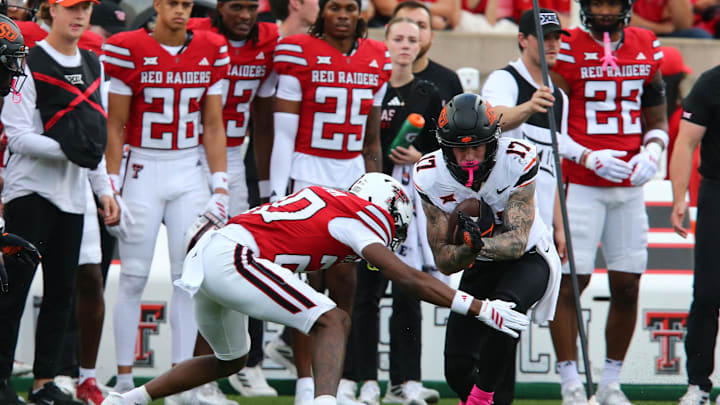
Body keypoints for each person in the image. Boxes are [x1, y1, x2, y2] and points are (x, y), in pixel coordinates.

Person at [102, 172, 529, 405]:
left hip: (215, 257)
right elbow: (407, 276)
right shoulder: (365, 215)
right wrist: (478, 308)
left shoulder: (329, 203)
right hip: (235, 256)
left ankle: (127, 401)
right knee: (334, 319)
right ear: (389, 206)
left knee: (230, 358)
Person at [101, 0, 229, 401]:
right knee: (134, 277)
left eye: (186, 4)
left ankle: (180, 383)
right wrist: (111, 184)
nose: (179, 11)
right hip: (142, 168)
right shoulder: (127, 47)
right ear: (156, 5)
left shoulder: (211, 47)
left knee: (187, 279)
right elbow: (115, 125)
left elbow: (213, 123)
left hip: (188, 169)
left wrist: (220, 185)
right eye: (172, 3)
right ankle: (123, 380)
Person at [0, 0, 122, 403]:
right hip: (29, 191)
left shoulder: (94, 62)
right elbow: (16, 135)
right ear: (51, 10)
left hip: (73, 196)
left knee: (61, 293)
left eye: (86, 7)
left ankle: (45, 383)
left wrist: (103, 189)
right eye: (71, 7)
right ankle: (1, 381)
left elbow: (96, 135)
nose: (80, 14)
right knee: (12, 292)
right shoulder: (28, 61)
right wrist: (69, 148)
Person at [270, 0, 390, 403]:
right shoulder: (297, 50)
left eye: (349, 8)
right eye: (334, 7)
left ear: (361, 14)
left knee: (345, 281)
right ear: (321, 12)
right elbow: (283, 133)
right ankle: (306, 383)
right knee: (306, 281)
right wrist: (277, 191)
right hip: (307, 170)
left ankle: (330, 385)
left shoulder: (377, 57)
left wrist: (375, 187)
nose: (342, 15)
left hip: (350, 174)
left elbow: (372, 139)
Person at [549, 0, 668, 403]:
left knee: (627, 284)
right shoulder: (566, 48)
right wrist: (584, 154)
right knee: (571, 282)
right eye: (596, 2)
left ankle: (610, 382)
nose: (603, 11)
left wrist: (652, 153)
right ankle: (570, 382)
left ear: (626, 6)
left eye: (610, 2)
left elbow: (656, 119)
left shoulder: (646, 43)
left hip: (629, 187)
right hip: (580, 183)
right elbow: (546, 124)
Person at [415, 93, 561, 405]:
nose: (469, 156)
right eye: (460, 147)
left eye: (476, 146)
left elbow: (517, 242)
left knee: (503, 311)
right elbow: (444, 261)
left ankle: (481, 400)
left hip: (529, 258)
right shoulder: (429, 175)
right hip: (479, 263)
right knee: (456, 368)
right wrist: (466, 251)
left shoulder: (517, 158)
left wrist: (475, 245)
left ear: (492, 142)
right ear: (445, 147)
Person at [341, 17, 443, 405]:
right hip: (367, 202)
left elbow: (445, 151)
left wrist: (420, 157)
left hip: (409, 206)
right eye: (397, 38)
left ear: (422, 45)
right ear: (384, 42)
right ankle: (363, 378)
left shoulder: (428, 93)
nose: (404, 45)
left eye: (412, 39)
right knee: (364, 292)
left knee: (408, 290)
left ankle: (406, 381)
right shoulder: (369, 85)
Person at [187, 0, 279, 398]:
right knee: (192, 268)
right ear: (219, 7)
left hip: (235, 160)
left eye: (251, 8)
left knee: (242, 261)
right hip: (183, 155)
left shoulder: (270, 40)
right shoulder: (193, 32)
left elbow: (264, 119)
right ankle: (186, 373)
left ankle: (245, 361)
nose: (244, 16)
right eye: (235, 7)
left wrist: (266, 183)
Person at [479, 8, 569, 404]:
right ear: (523, 39)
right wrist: (530, 107)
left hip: (538, 231)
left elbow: (554, 165)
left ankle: (497, 397)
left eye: (557, 38)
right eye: (543, 37)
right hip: (499, 225)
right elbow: (491, 119)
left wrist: (560, 225)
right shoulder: (506, 79)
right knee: (497, 319)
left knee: (509, 318)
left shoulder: (559, 96)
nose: (552, 44)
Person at [670, 65, 720, 405]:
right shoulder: (711, 83)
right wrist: (678, 198)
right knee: (707, 293)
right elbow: (686, 142)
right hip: (717, 192)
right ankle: (698, 384)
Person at [391, 1, 463, 106]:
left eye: (421, 25)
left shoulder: (449, 81)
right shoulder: (377, 79)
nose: (414, 32)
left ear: (431, 36)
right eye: (407, 24)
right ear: (389, 34)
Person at [630, 0, 712, 38]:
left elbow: (684, 25)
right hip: (637, 31)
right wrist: (662, 28)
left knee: (700, 35)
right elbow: (627, 19)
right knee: (641, 32)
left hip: (670, 32)